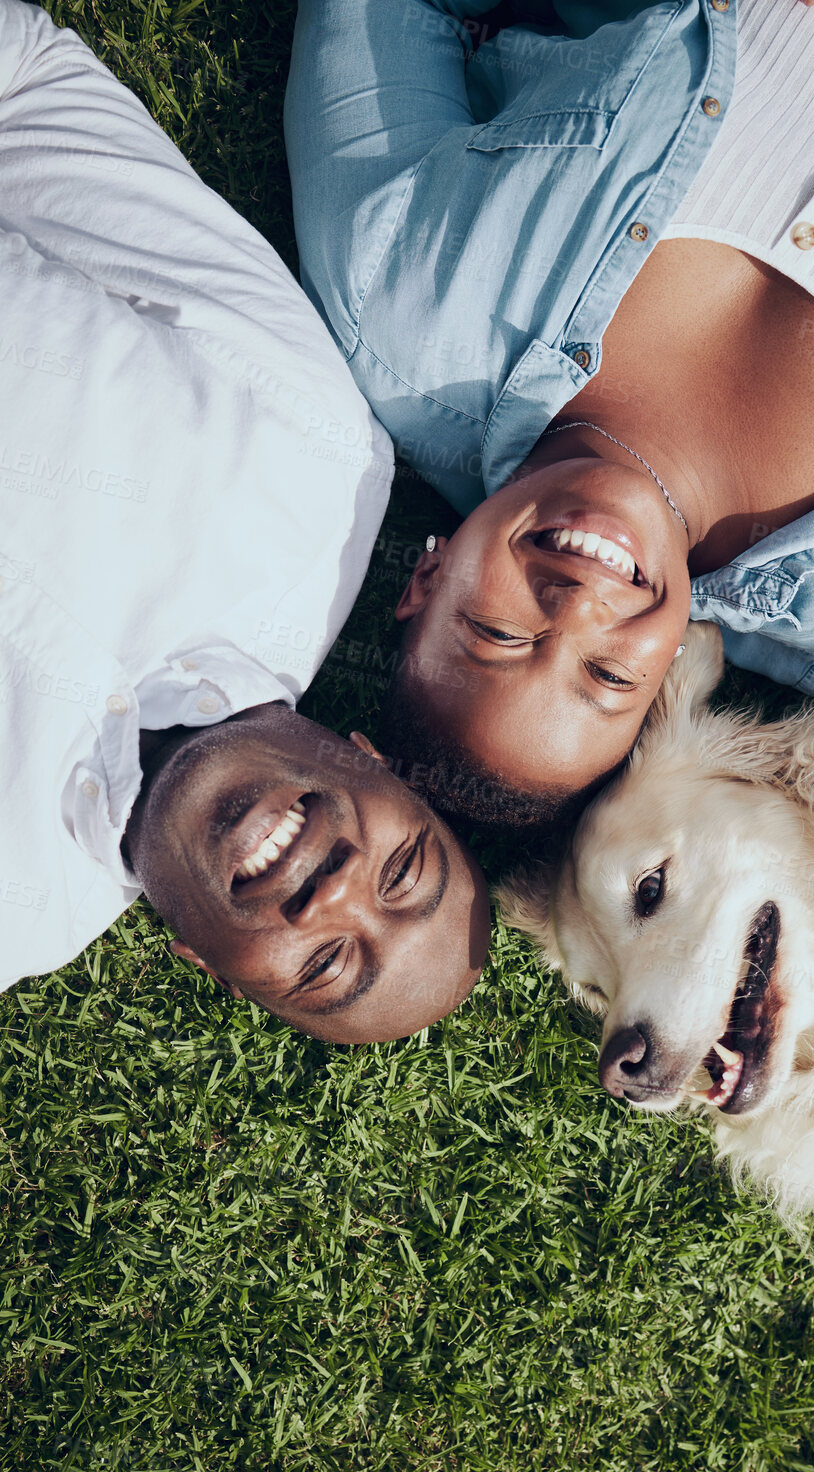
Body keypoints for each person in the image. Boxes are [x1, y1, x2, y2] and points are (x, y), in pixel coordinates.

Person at [286, 0, 814, 828]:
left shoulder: (400, 303)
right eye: (606, 678)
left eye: (497, 632)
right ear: (664, 677)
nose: (575, 606)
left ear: (427, 580)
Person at [0, 0, 489, 1039]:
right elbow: (26, 88)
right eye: (403, 869)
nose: (334, 894)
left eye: (324, 966)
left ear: (203, 963)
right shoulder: (313, 458)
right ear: (380, 758)